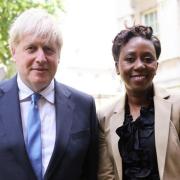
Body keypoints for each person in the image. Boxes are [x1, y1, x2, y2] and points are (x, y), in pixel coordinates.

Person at [0, 8, 98, 180]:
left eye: (48, 49)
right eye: (31, 48)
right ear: (14, 52)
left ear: (58, 55)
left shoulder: (84, 105)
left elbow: (91, 172)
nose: (41, 58)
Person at [98, 25, 180, 180]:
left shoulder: (177, 107)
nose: (140, 65)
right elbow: (106, 174)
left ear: (156, 66)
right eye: (130, 59)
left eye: (148, 59)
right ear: (117, 67)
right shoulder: (103, 117)